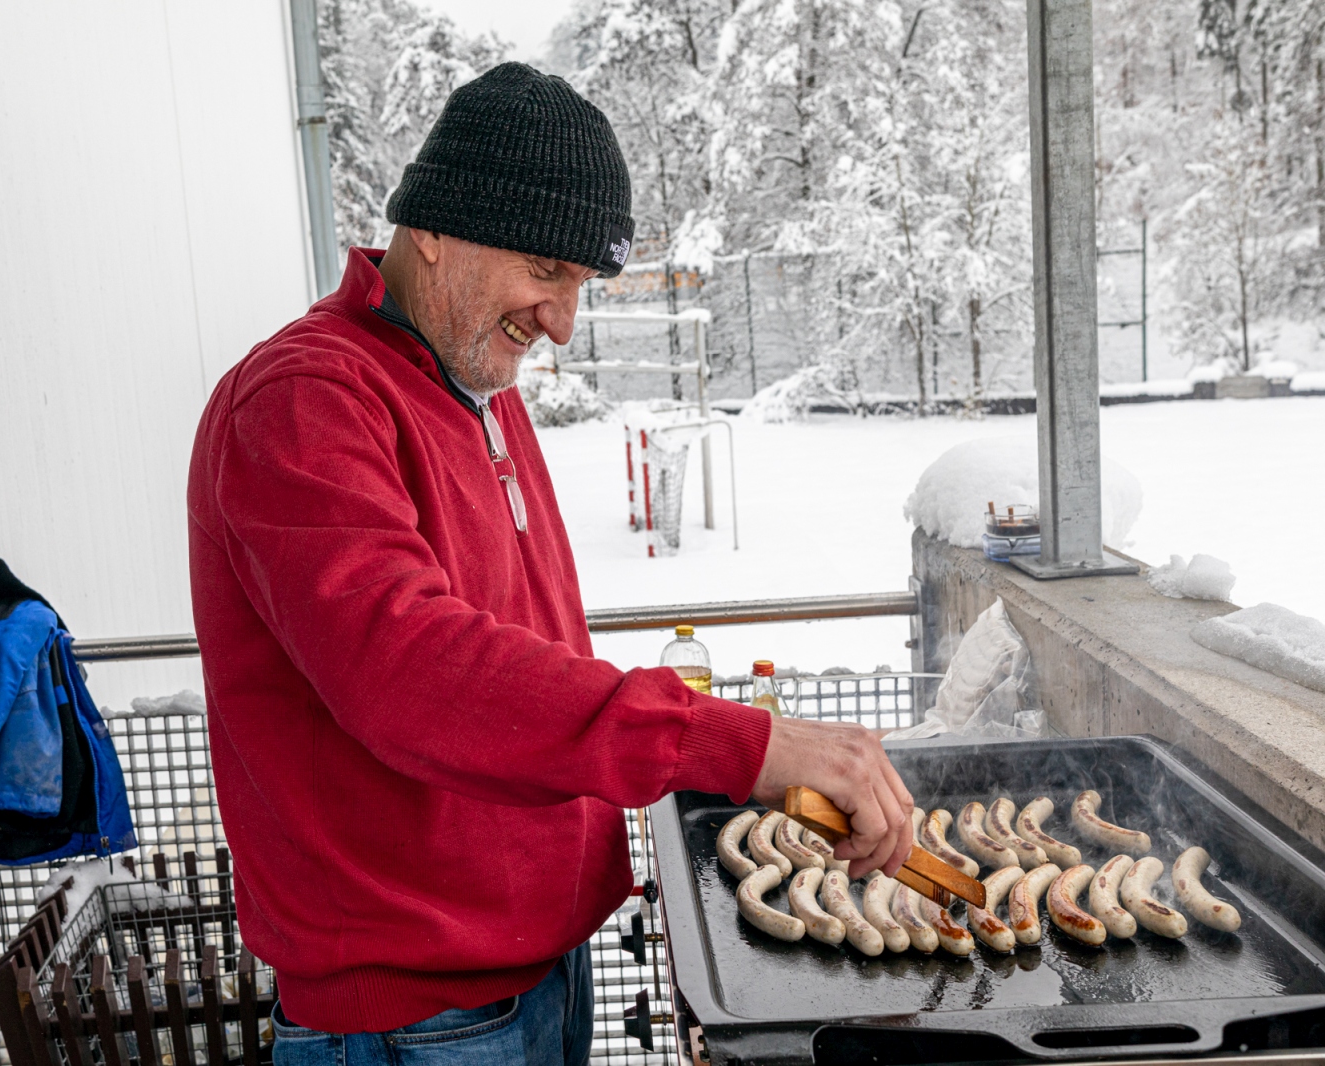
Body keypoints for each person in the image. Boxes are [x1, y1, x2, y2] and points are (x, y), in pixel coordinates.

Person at [187, 62, 914, 1065]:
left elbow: (517, 651)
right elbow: (411, 671)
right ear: (435, 229)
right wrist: (729, 742)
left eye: (581, 283)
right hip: (414, 1019)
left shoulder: (478, 384)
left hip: (533, 970)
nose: (563, 322)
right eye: (546, 271)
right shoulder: (305, 400)